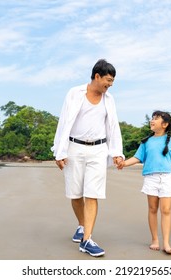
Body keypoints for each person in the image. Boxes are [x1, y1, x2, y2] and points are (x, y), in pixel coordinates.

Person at [51, 59, 124, 257]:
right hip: (74, 147)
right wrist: (59, 151)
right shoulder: (74, 93)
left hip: (99, 150)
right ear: (97, 76)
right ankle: (82, 226)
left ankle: (86, 239)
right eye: (108, 80)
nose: (110, 85)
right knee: (75, 194)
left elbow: (113, 126)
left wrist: (117, 152)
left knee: (93, 193)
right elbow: (64, 121)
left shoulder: (109, 99)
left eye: (112, 82)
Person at [117, 111, 171, 254]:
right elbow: (137, 157)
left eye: (156, 119)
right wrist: (124, 163)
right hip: (150, 178)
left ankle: (166, 243)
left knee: (166, 210)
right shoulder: (146, 141)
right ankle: (155, 239)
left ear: (165, 125)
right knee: (153, 209)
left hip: (166, 178)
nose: (152, 121)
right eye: (152, 118)